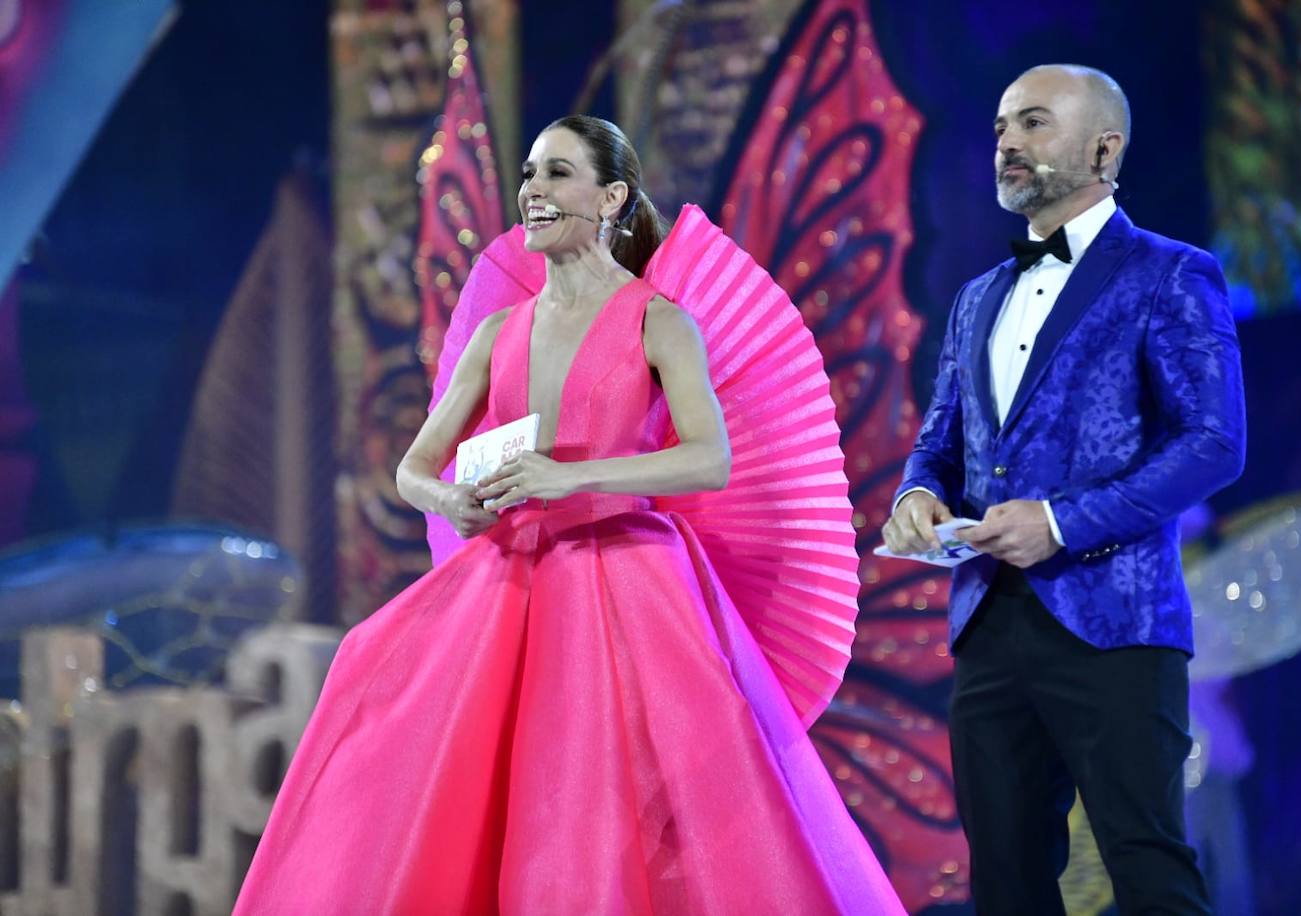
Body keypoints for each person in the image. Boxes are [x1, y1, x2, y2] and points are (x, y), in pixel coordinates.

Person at [234, 115, 904, 914]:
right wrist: (453, 500)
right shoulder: (496, 331)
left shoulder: (660, 319)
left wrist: (570, 477)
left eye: (556, 174)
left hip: (626, 581)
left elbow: (707, 458)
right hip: (507, 582)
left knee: (607, 802)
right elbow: (415, 467)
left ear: (611, 196)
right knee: (389, 698)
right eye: (529, 174)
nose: (533, 191)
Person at [883, 65, 1245, 915]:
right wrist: (913, 497)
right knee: (1005, 879)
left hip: (1115, 620)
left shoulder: (1171, 273)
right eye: (1004, 125)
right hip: (986, 618)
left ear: (1103, 148)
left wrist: (1061, 522)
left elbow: (1214, 443)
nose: (1007, 141)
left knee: (1148, 865)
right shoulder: (978, 298)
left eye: (1035, 124)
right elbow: (941, 441)